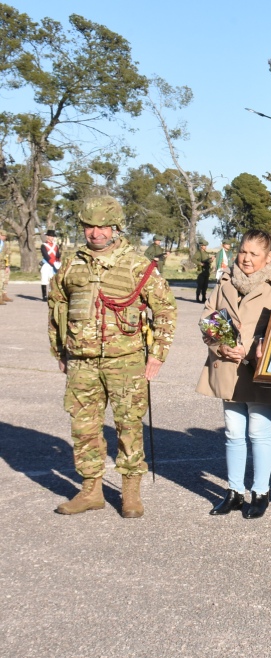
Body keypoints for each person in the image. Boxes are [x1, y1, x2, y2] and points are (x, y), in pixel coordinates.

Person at [47, 196, 177, 518]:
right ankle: (91, 491)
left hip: (126, 363)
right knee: (84, 427)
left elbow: (165, 310)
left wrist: (157, 354)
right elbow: (56, 309)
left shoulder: (136, 264)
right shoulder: (72, 265)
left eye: (103, 225)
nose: (96, 232)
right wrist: (60, 351)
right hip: (82, 363)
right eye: (90, 226)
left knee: (128, 425)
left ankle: (130, 493)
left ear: (116, 227)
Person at [196, 230, 271, 519]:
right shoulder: (225, 281)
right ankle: (234, 491)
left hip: (260, 369)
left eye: (254, 254)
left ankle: (260, 492)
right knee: (233, 432)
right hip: (226, 365)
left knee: (259, 432)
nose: (246, 259)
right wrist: (224, 345)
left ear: (269, 257)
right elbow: (208, 315)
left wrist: (249, 351)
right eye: (243, 252)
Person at [40, 229, 61, 301]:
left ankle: (52, 294)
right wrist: (53, 263)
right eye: (50, 236)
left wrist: (58, 263)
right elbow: (46, 256)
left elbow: (58, 255)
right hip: (47, 264)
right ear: (47, 237)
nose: (52, 238)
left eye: (53, 236)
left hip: (55, 264)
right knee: (44, 279)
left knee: (53, 280)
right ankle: (44, 296)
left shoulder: (56, 246)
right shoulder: (43, 245)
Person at [192, 239, 215, 303]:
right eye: (204, 246)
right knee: (200, 285)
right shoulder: (198, 253)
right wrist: (200, 263)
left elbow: (207, 261)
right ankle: (197, 297)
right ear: (201, 246)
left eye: (206, 246)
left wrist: (211, 260)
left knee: (205, 286)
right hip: (201, 272)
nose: (205, 247)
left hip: (206, 271)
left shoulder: (206, 253)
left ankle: (204, 297)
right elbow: (193, 259)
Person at [0, 229, 11, 305]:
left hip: (4, 265)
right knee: (0, 281)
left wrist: (8, 265)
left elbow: (8, 255)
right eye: (3, 235)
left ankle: (4, 294)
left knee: (5, 280)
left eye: (5, 236)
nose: (4, 237)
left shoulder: (4, 244)